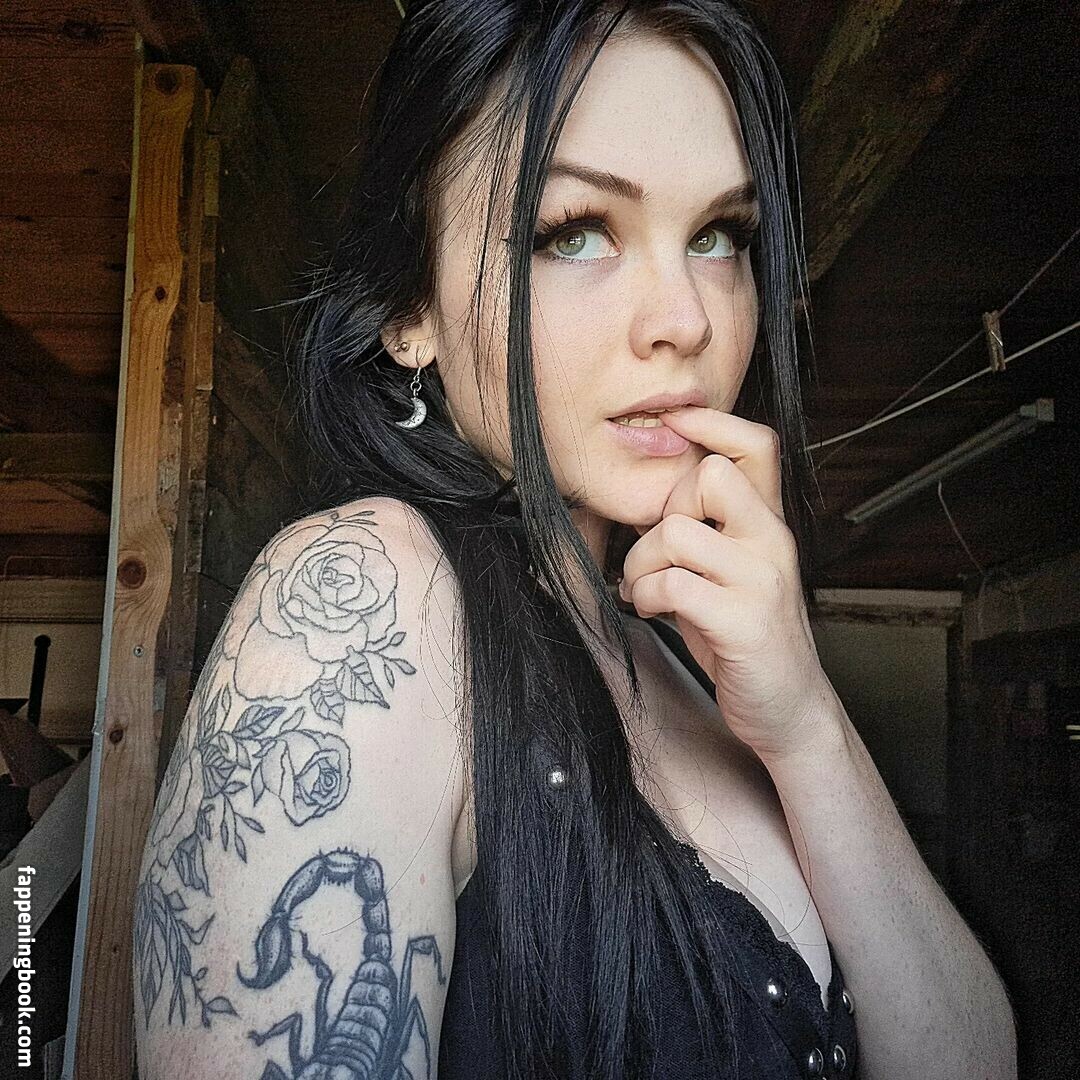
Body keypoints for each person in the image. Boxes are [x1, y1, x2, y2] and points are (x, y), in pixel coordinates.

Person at [133, 2, 1017, 1078]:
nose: (686, 318)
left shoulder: (684, 649)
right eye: (576, 232)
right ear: (409, 308)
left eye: (718, 236)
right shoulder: (366, 593)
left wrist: (806, 725)